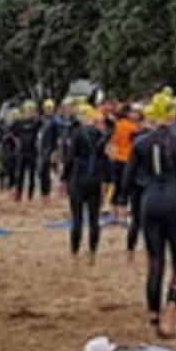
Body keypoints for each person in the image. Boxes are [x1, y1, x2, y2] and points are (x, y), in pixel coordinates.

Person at [128, 98, 176, 337]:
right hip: (175, 200)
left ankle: (152, 315)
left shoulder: (140, 143)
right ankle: (170, 312)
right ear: (173, 117)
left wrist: (144, 189)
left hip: (150, 201)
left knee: (155, 260)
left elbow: (128, 180)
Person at [64, 104, 109, 261]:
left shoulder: (76, 134)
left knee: (77, 218)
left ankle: (74, 252)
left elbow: (69, 158)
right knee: (94, 219)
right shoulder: (100, 134)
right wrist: (107, 180)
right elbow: (105, 159)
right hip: (95, 178)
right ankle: (92, 252)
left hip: (78, 177)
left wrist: (64, 178)